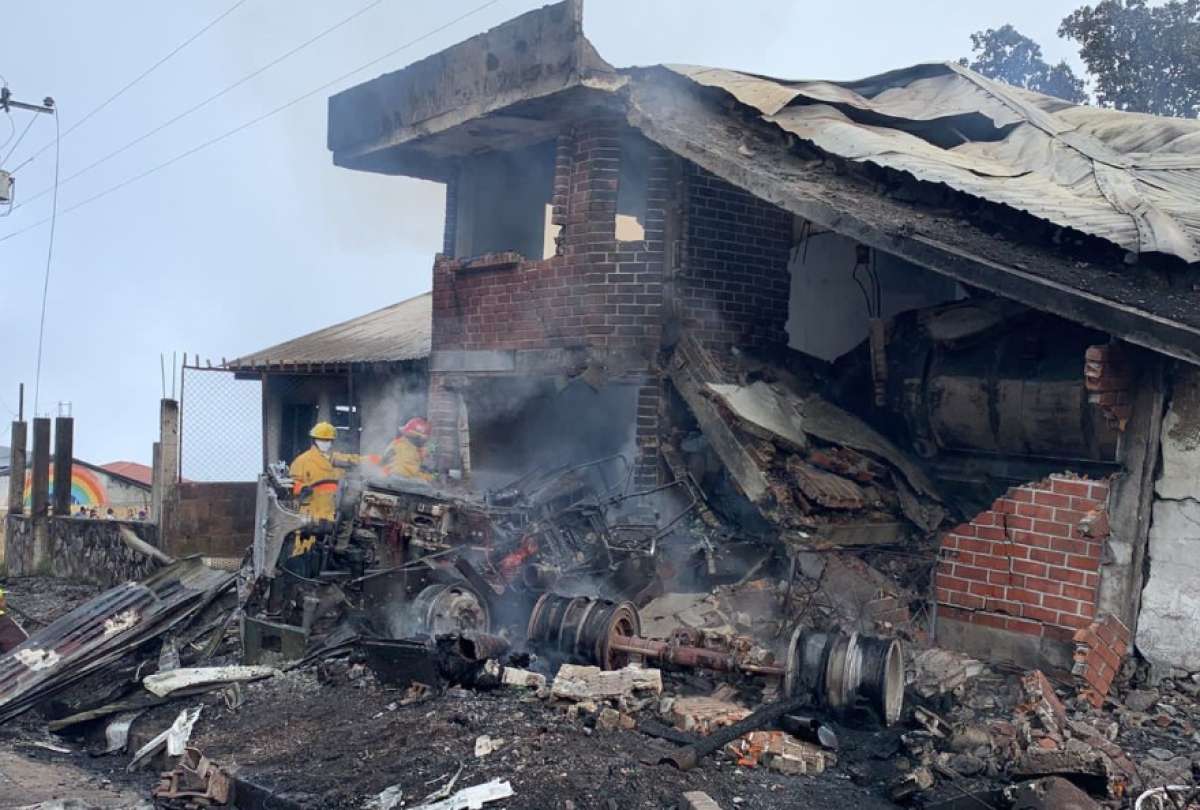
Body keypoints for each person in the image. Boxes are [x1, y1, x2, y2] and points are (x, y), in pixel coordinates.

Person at [286, 421, 360, 574]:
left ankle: (328, 568)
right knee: (306, 549)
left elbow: (354, 461)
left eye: (328, 440)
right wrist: (302, 488)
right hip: (312, 511)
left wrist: (375, 462)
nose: (325, 443)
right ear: (314, 440)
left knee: (330, 548)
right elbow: (292, 483)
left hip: (332, 511)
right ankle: (301, 577)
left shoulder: (336, 460)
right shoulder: (303, 461)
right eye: (322, 440)